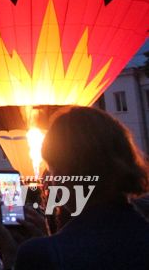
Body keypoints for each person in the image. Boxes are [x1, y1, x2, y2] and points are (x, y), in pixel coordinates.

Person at [15, 107, 149, 269]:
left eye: (52, 170)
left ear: (64, 171)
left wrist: (15, 255)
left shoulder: (40, 254)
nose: (52, 181)